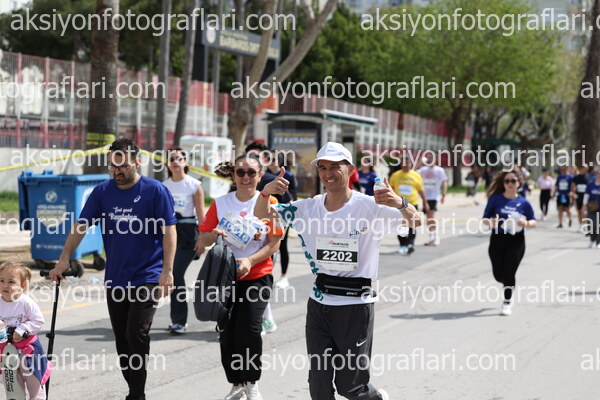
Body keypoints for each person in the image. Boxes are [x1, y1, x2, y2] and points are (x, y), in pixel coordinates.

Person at [255, 142, 421, 400]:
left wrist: (400, 203)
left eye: (335, 167)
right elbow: (262, 215)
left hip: (355, 306)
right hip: (319, 304)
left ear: (350, 170)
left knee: (351, 387)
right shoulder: (308, 208)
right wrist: (265, 193)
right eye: (323, 167)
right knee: (319, 385)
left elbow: (416, 221)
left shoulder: (370, 206)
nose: (328, 173)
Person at [49, 138, 176, 400]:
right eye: (113, 166)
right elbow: (81, 225)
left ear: (137, 162)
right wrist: (64, 258)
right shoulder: (102, 192)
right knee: (122, 340)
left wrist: (167, 270)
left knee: (136, 333)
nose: (117, 171)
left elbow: (169, 231)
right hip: (116, 278)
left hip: (148, 275)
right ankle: (134, 389)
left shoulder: (155, 190)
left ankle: (136, 395)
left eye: (122, 166)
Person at [197, 153, 283, 400]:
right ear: (233, 176)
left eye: (251, 172)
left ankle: (252, 382)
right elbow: (203, 239)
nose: (246, 177)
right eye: (240, 172)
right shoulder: (221, 203)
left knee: (250, 329)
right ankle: (236, 384)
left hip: (257, 275)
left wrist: (249, 260)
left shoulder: (269, 202)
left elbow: (274, 242)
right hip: (224, 278)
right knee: (227, 332)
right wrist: (213, 234)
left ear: (260, 176)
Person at [163, 147, 206, 334]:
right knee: (171, 275)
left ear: (185, 162)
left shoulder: (194, 185)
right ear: (167, 164)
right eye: (172, 159)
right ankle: (176, 319)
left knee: (176, 273)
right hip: (169, 232)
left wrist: (202, 239)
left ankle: (180, 321)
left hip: (188, 234)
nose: (176, 162)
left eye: (179, 158)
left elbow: (201, 215)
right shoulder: (163, 186)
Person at [483, 168, 536, 316]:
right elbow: (485, 218)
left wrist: (526, 223)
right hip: (497, 240)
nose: (510, 183)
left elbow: (533, 221)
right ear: (503, 183)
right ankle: (507, 283)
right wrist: (491, 222)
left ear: (519, 183)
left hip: (516, 241)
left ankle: (507, 302)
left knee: (509, 271)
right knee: (498, 276)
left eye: (513, 180)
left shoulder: (523, 203)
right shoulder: (495, 199)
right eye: (507, 181)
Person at [0, 262, 52, 400]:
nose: (5, 285)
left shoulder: (26, 303)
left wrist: (22, 329)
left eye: (11, 282)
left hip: (28, 351)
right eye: (1, 280)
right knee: (13, 385)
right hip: (7, 351)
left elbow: (38, 321)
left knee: (34, 383)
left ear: (22, 285)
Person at [389, 155, 428, 254]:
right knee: (400, 225)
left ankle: (410, 244)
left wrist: (425, 203)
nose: (405, 165)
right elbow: (391, 189)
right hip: (399, 205)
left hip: (412, 204)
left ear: (411, 164)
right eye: (403, 163)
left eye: (407, 163)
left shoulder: (416, 175)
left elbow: (421, 191)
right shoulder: (395, 175)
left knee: (412, 224)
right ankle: (402, 245)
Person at [417, 154, 448, 246]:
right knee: (428, 218)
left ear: (435, 160)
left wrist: (443, 195)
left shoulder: (439, 170)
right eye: (428, 158)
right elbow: (412, 172)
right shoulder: (423, 169)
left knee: (431, 216)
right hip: (425, 197)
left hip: (434, 197)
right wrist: (419, 163)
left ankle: (436, 237)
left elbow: (444, 182)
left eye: (431, 158)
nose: (430, 160)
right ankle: (431, 237)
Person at [582, 172, 600, 248]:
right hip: (592, 208)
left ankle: (598, 242)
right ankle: (592, 240)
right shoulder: (590, 184)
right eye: (598, 174)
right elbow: (586, 195)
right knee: (592, 225)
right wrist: (584, 205)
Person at [572, 165, 590, 232]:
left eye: (587, 169)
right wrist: (574, 193)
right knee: (579, 212)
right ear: (581, 168)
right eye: (585, 168)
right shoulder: (576, 177)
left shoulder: (588, 177)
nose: (586, 170)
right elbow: (573, 186)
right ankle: (580, 225)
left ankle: (584, 225)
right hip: (578, 197)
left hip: (586, 197)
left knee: (584, 212)